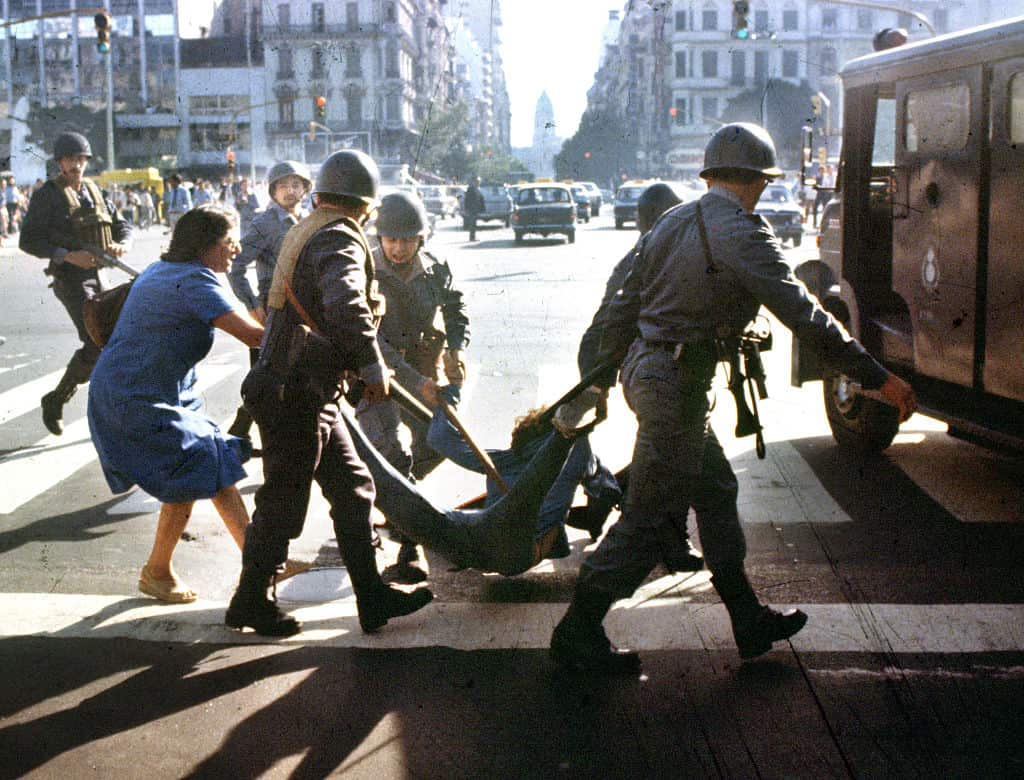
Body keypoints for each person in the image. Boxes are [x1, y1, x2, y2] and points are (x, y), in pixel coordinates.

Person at [548, 123, 917, 673]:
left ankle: (746, 619)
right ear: (755, 182)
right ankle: (576, 632)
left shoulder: (673, 220)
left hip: (653, 375)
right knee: (649, 520)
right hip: (676, 387)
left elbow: (621, 302)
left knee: (716, 489)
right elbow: (805, 315)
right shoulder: (742, 233)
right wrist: (876, 379)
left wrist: (602, 378)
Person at [225, 149, 433, 638]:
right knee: (283, 500)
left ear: (320, 193)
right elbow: (345, 303)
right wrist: (372, 364)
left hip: (302, 386)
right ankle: (250, 599)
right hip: (297, 391)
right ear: (365, 204)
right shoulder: (339, 235)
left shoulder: (311, 227)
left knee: (352, 486)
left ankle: (372, 596)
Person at [86, 203, 264, 602]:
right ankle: (163, 570)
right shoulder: (197, 281)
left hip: (142, 390)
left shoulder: (164, 269)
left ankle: (258, 562)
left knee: (209, 458)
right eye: (229, 242)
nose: (235, 250)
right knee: (199, 458)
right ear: (206, 246)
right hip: (133, 398)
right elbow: (254, 337)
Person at [356, 190, 470, 584]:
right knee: (392, 451)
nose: (399, 248)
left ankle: (400, 502)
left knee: (440, 441)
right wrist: (416, 381)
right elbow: (371, 339)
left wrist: (455, 349)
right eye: (391, 239)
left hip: (423, 366)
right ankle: (409, 543)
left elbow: (455, 308)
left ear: (421, 238)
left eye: (407, 239)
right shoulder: (364, 269)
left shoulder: (435, 268)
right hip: (377, 374)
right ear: (379, 237)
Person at [19, 131, 133, 436]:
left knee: (111, 341)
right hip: (71, 279)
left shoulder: (96, 191)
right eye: (70, 160)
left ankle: (61, 400)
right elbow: (28, 240)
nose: (76, 165)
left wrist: (122, 243)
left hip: (101, 275)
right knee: (97, 340)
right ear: (60, 163)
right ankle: (59, 400)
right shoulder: (48, 195)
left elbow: (122, 225)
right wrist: (68, 256)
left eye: (81, 159)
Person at [226, 160, 312, 443]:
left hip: (303, 308)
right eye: (283, 185)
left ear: (305, 189)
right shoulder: (264, 223)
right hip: (274, 308)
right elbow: (236, 266)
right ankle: (245, 431)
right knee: (267, 374)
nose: (290, 191)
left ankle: (245, 427)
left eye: (296, 185)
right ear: (273, 191)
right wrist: (252, 305)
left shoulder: (309, 220)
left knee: (291, 375)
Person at [462, 176, 484, 242]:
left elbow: (480, 198)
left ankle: (473, 237)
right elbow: (467, 200)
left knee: (474, 224)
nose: (478, 183)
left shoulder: (477, 189)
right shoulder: (470, 189)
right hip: (471, 209)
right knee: (472, 224)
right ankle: (472, 237)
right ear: (474, 181)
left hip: (476, 209)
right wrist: (466, 209)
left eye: (479, 181)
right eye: (477, 181)